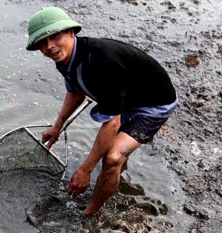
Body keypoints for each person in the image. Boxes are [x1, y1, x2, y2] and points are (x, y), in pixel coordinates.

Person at [26, 7, 178, 216]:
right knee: (112, 149)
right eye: (42, 42)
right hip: (127, 96)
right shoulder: (64, 58)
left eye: (55, 36)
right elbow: (75, 91)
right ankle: (116, 174)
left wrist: (85, 170)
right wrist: (57, 126)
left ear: (71, 32)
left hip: (153, 104)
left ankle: (88, 214)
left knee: (113, 157)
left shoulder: (103, 62)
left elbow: (112, 122)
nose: (50, 46)